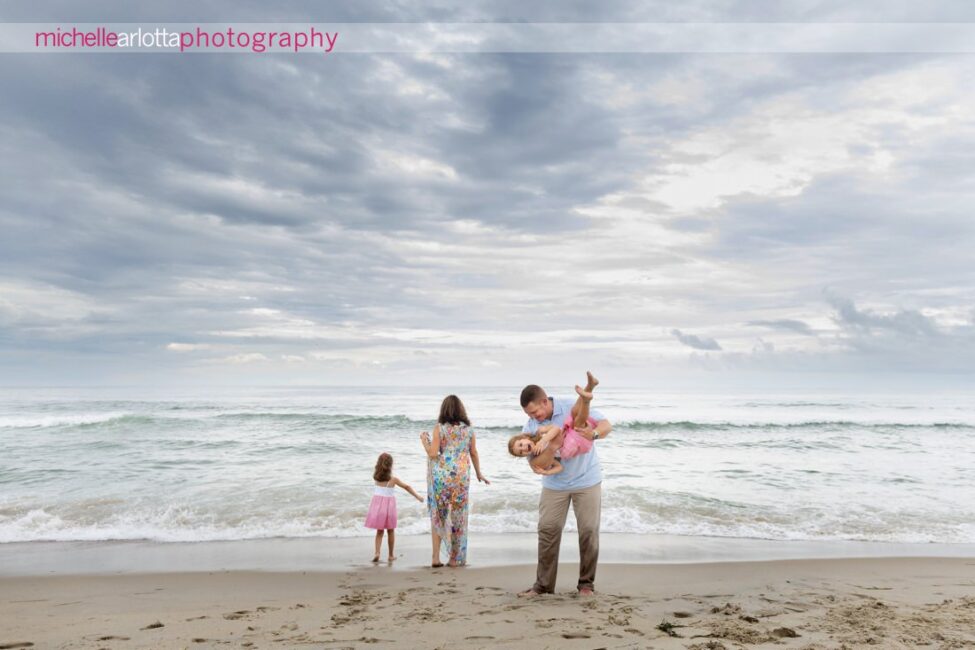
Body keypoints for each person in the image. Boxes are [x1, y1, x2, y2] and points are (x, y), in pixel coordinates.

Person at [517, 372, 612, 597]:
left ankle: (586, 585)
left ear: (544, 401)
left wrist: (594, 433)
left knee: (588, 531)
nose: (534, 417)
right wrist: (547, 446)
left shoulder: (571, 404)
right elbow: (535, 463)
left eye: (535, 411)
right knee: (548, 530)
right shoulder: (531, 426)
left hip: (586, 479)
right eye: (529, 414)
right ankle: (543, 586)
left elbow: (607, 425)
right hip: (554, 485)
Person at [420, 395, 490, 568]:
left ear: (443, 410)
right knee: (459, 518)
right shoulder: (469, 430)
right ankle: (454, 559)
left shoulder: (439, 429)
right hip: (461, 478)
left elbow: (433, 453)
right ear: (461, 410)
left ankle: (436, 558)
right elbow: (473, 452)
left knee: (439, 516)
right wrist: (479, 473)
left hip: (441, 478)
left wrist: (424, 441)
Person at [508, 371, 599, 474]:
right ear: (523, 456)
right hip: (569, 448)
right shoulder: (538, 455)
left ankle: (589, 388)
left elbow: (556, 429)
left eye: (521, 444)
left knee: (574, 413)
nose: (523, 448)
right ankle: (586, 400)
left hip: (568, 436)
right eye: (521, 452)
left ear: (524, 438)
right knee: (579, 423)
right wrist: (547, 472)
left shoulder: (539, 432)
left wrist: (543, 441)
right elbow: (559, 467)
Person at [364, 452, 422, 563]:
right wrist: (418, 496)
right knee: (390, 531)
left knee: (379, 531)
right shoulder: (393, 480)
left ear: (378, 464)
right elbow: (407, 487)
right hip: (389, 508)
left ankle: (377, 553)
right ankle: (390, 555)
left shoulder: (376, 478)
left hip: (377, 508)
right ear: (390, 465)